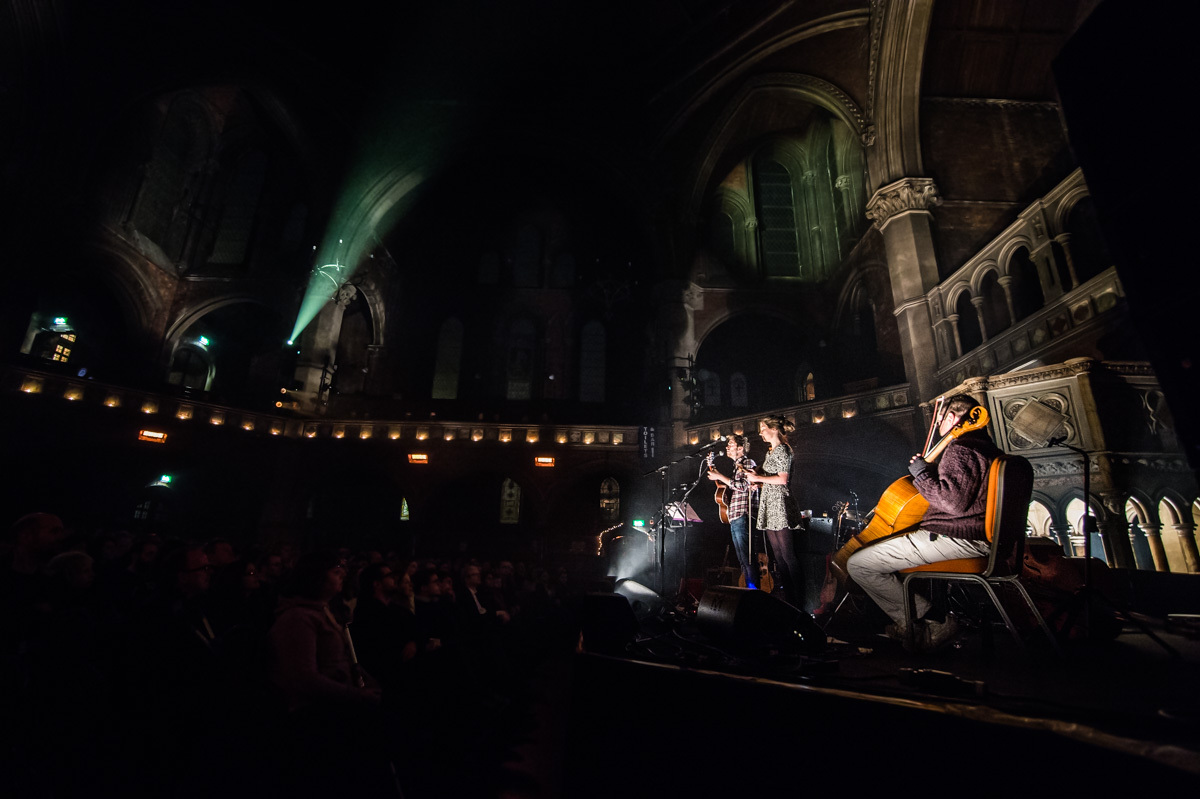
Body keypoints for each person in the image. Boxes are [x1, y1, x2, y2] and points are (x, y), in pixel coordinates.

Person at [846, 394, 1000, 652]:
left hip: (958, 538)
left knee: (860, 564)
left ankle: (935, 621)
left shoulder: (960, 448)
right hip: (979, 538)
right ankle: (919, 628)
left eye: (940, 419)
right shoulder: (988, 449)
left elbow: (951, 503)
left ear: (951, 418)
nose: (939, 425)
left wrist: (922, 473)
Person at [744, 417, 805, 609]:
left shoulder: (783, 450)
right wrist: (757, 481)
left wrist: (759, 477)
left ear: (774, 429)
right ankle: (790, 601)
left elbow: (782, 479)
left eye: (763, 428)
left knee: (788, 555)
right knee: (778, 556)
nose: (760, 432)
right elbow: (768, 477)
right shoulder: (770, 453)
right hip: (769, 503)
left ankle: (800, 601)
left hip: (779, 503)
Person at [706, 434, 759, 588]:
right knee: (742, 561)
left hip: (744, 515)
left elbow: (743, 486)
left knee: (748, 559)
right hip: (735, 517)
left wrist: (720, 476)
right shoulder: (736, 467)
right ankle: (750, 590)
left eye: (731, 444)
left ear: (740, 448)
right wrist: (713, 468)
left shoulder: (748, 462)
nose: (727, 447)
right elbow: (725, 489)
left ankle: (755, 594)